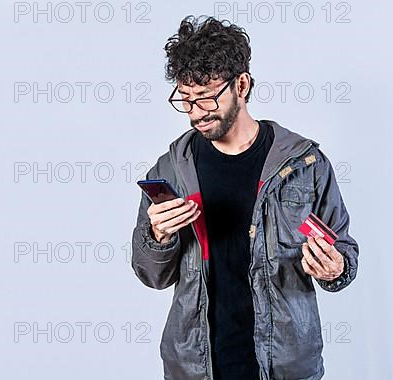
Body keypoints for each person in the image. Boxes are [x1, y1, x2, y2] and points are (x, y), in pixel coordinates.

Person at [130, 15, 359, 380]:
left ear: (242, 84)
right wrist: (157, 237)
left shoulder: (305, 164)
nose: (195, 113)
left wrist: (335, 269)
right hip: (195, 366)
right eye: (185, 100)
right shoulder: (171, 168)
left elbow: (345, 255)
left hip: (285, 367)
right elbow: (151, 276)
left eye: (205, 98)